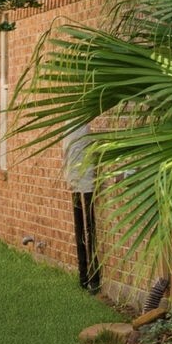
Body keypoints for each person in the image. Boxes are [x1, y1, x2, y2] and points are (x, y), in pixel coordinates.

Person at [63, 124, 100, 293]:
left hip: (81, 179)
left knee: (85, 228)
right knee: (85, 227)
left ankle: (89, 277)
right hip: (81, 179)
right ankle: (88, 277)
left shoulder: (71, 126)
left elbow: (65, 154)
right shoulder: (76, 126)